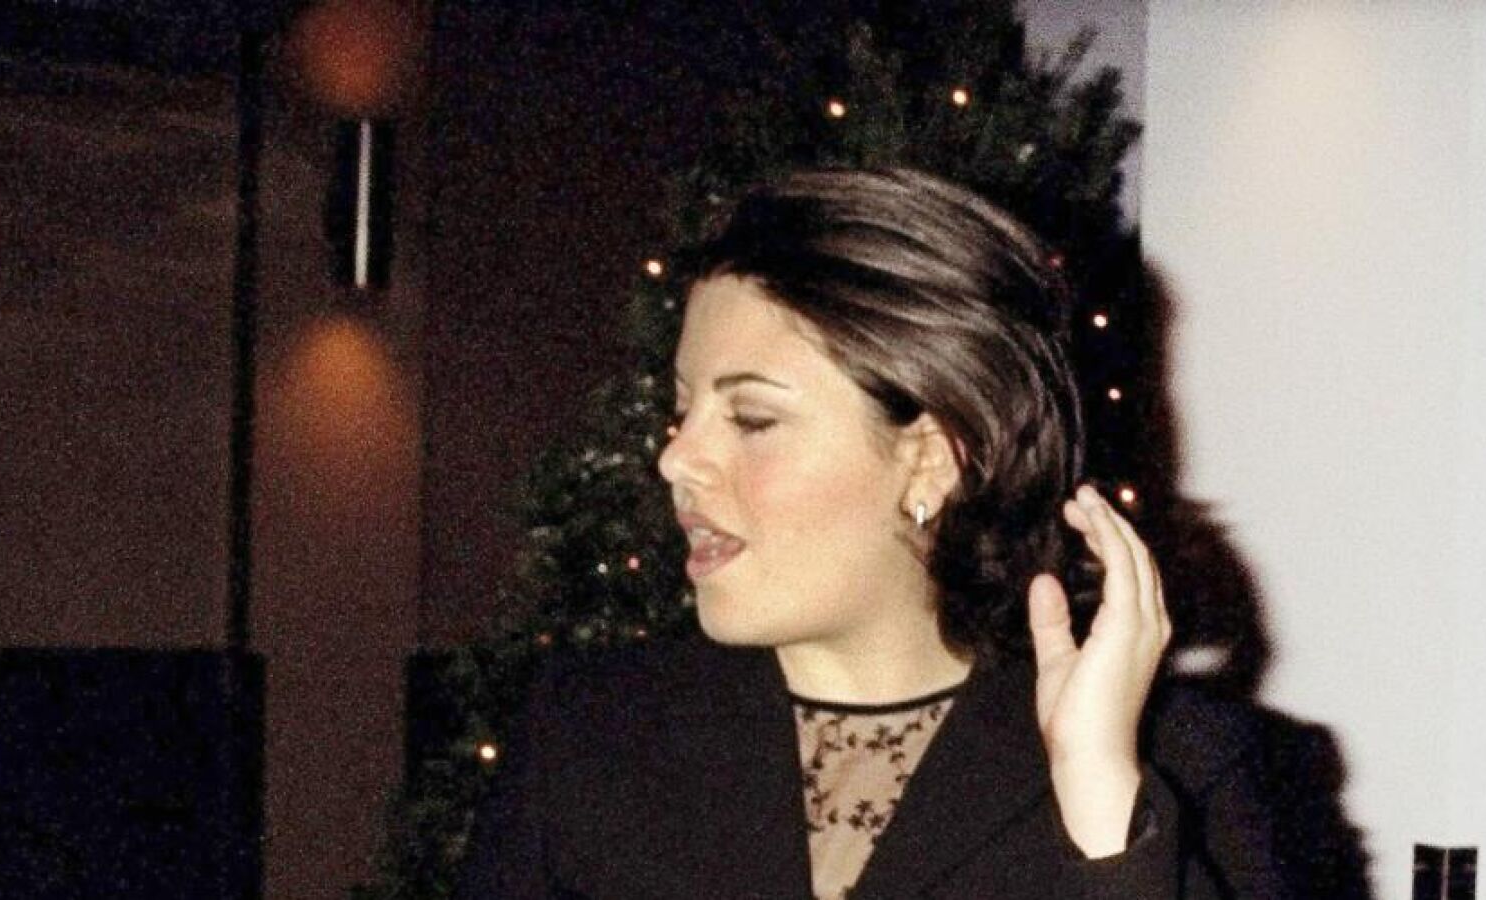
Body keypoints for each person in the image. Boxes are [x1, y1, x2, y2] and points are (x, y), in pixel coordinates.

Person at [457, 168, 1285, 898]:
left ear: (928, 462)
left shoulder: (1179, 764)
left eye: (751, 419)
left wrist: (1103, 810)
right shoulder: (588, 735)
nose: (676, 459)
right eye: (682, 410)